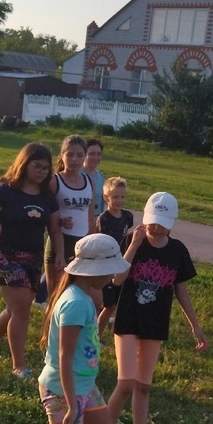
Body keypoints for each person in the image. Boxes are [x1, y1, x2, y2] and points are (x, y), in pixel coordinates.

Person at [24, 234, 127, 424]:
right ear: (92, 271)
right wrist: (71, 405)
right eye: (110, 269)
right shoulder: (73, 305)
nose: (113, 275)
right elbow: (64, 358)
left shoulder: (85, 296)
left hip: (85, 386)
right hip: (63, 391)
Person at [99, 192, 207, 424]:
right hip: (128, 320)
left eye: (161, 222)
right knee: (125, 383)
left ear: (171, 222)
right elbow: (117, 278)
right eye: (152, 222)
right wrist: (133, 246)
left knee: (143, 386)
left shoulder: (177, 251)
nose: (155, 228)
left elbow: (181, 290)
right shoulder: (133, 242)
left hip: (155, 323)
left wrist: (195, 325)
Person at [0, 143, 64, 379]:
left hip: (33, 257)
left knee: (17, 307)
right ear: (24, 164)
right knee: (21, 310)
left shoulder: (47, 196)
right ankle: (19, 365)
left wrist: (59, 254)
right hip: (5, 255)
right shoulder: (5, 190)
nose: (41, 172)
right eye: (36, 166)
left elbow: (55, 229)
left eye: (46, 168)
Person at [44, 134, 99, 296]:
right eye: (70, 155)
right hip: (60, 242)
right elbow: (43, 213)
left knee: (80, 296)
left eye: (79, 155)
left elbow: (90, 217)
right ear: (62, 156)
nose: (74, 159)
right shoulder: (55, 181)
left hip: (82, 243)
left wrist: (92, 243)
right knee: (56, 296)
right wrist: (60, 220)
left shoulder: (90, 182)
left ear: (84, 157)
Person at [96, 175, 134, 335]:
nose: (119, 200)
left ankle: (117, 333)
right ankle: (96, 336)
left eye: (122, 197)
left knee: (118, 303)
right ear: (106, 198)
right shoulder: (103, 219)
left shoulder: (127, 216)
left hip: (121, 263)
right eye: (115, 197)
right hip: (105, 266)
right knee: (109, 305)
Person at [84, 137, 106, 221]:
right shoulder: (77, 174)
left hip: (96, 222)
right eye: (92, 154)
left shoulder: (100, 176)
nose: (96, 157)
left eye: (98, 154)